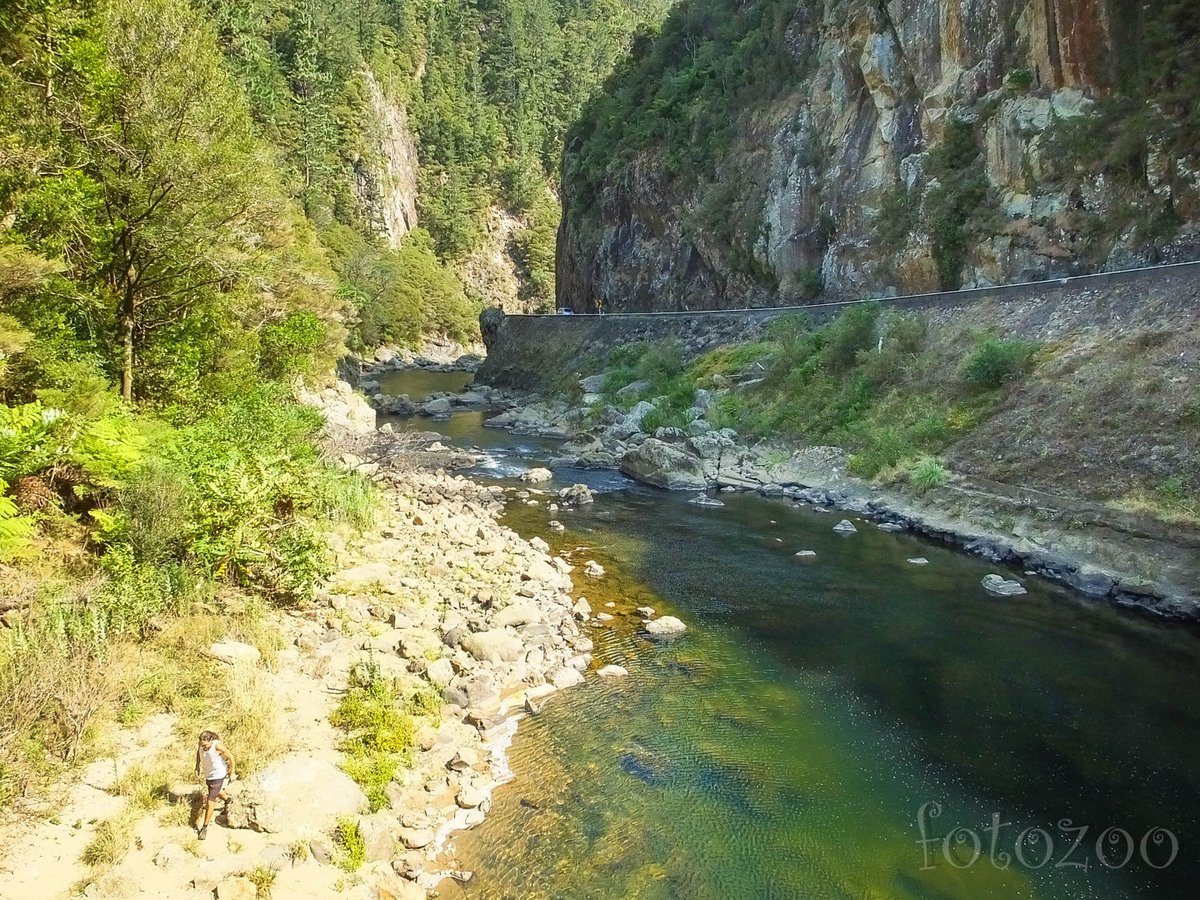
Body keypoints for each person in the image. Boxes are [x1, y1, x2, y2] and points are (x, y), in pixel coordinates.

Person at [194, 730, 235, 839]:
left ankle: (205, 827)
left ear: (211, 741)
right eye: (202, 744)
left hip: (218, 774)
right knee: (215, 791)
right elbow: (198, 752)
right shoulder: (201, 744)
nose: (203, 747)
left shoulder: (218, 746)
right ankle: (228, 800)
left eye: (205, 745)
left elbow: (231, 757)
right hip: (209, 774)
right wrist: (197, 765)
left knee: (210, 799)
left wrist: (232, 772)